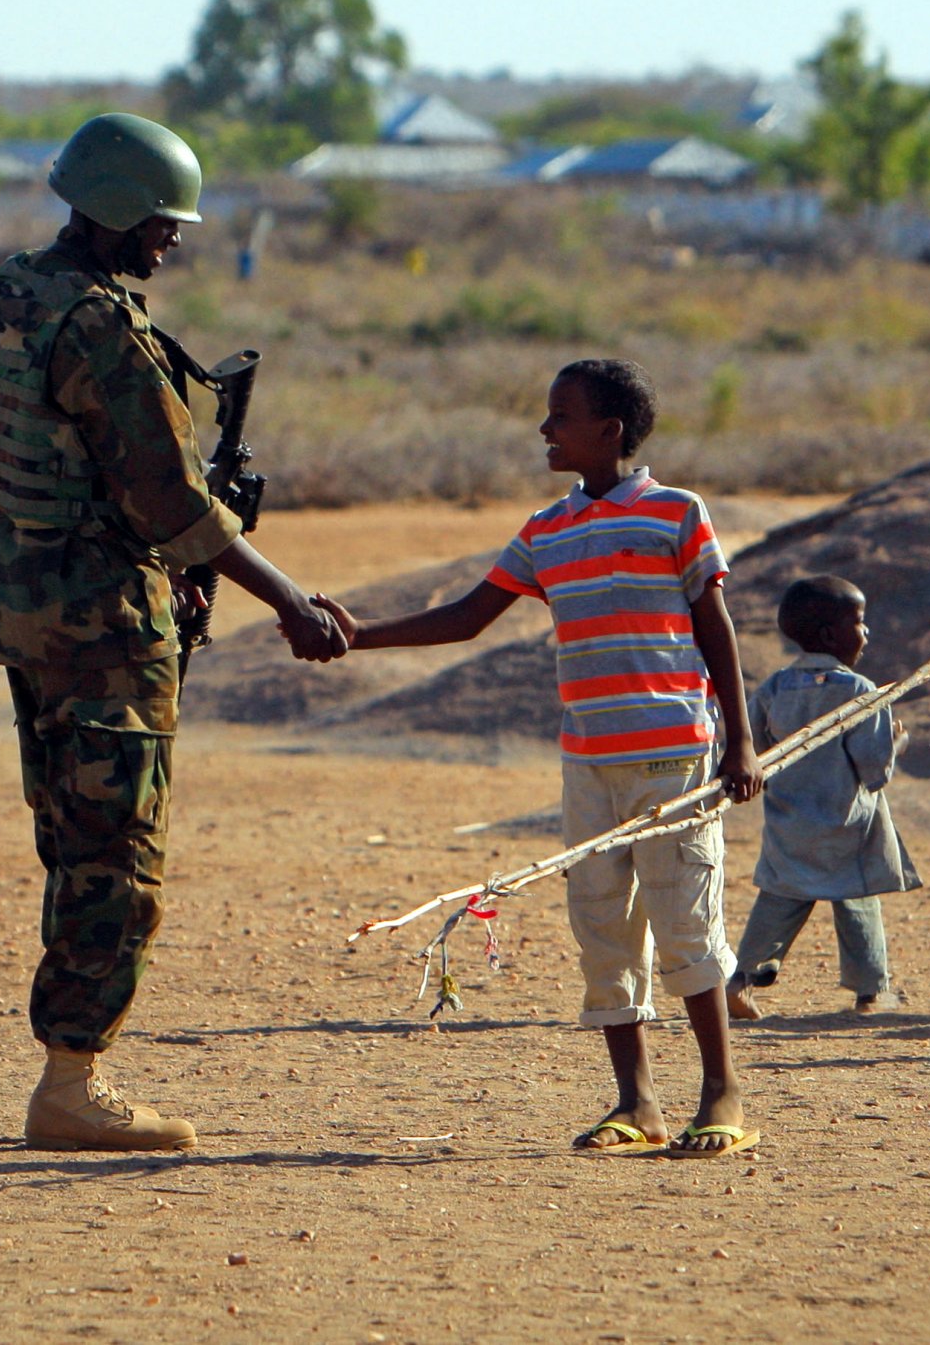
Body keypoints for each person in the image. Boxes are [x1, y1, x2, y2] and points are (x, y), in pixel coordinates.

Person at [0, 112, 348, 1153]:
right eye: (163, 224)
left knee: (71, 832)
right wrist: (289, 601)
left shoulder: (10, 292)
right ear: (120, 211)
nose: (171, 241)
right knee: (115, 852)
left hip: (26, 597)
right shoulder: (99, 331)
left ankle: (69, 1071)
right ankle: (73, 1083)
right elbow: (171, 501)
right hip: (99, 618)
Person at [318, 359, 763, 1158]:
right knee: (602, 925)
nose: (545, 429)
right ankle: (638, 1103)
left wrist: (740, 738)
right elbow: (467, 615)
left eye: (560, 416)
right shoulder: (545, 529)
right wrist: (360, 635)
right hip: (587, 758)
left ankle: (721, 1092)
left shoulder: (676, 512)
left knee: (687, 918)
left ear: (609, 431)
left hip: (673, 754)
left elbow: (715, 626)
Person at [725, 576, 919, 1022]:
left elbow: (750, 749)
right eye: (860, 622)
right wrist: (897, 743)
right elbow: (873, 770)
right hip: (846, 825)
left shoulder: (774, 688)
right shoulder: (860, 691)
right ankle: (872, 992)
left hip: (787, 822)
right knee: (858, 900)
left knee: (779, 898)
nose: (866, 632)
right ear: (832, 636)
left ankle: (742, 980)